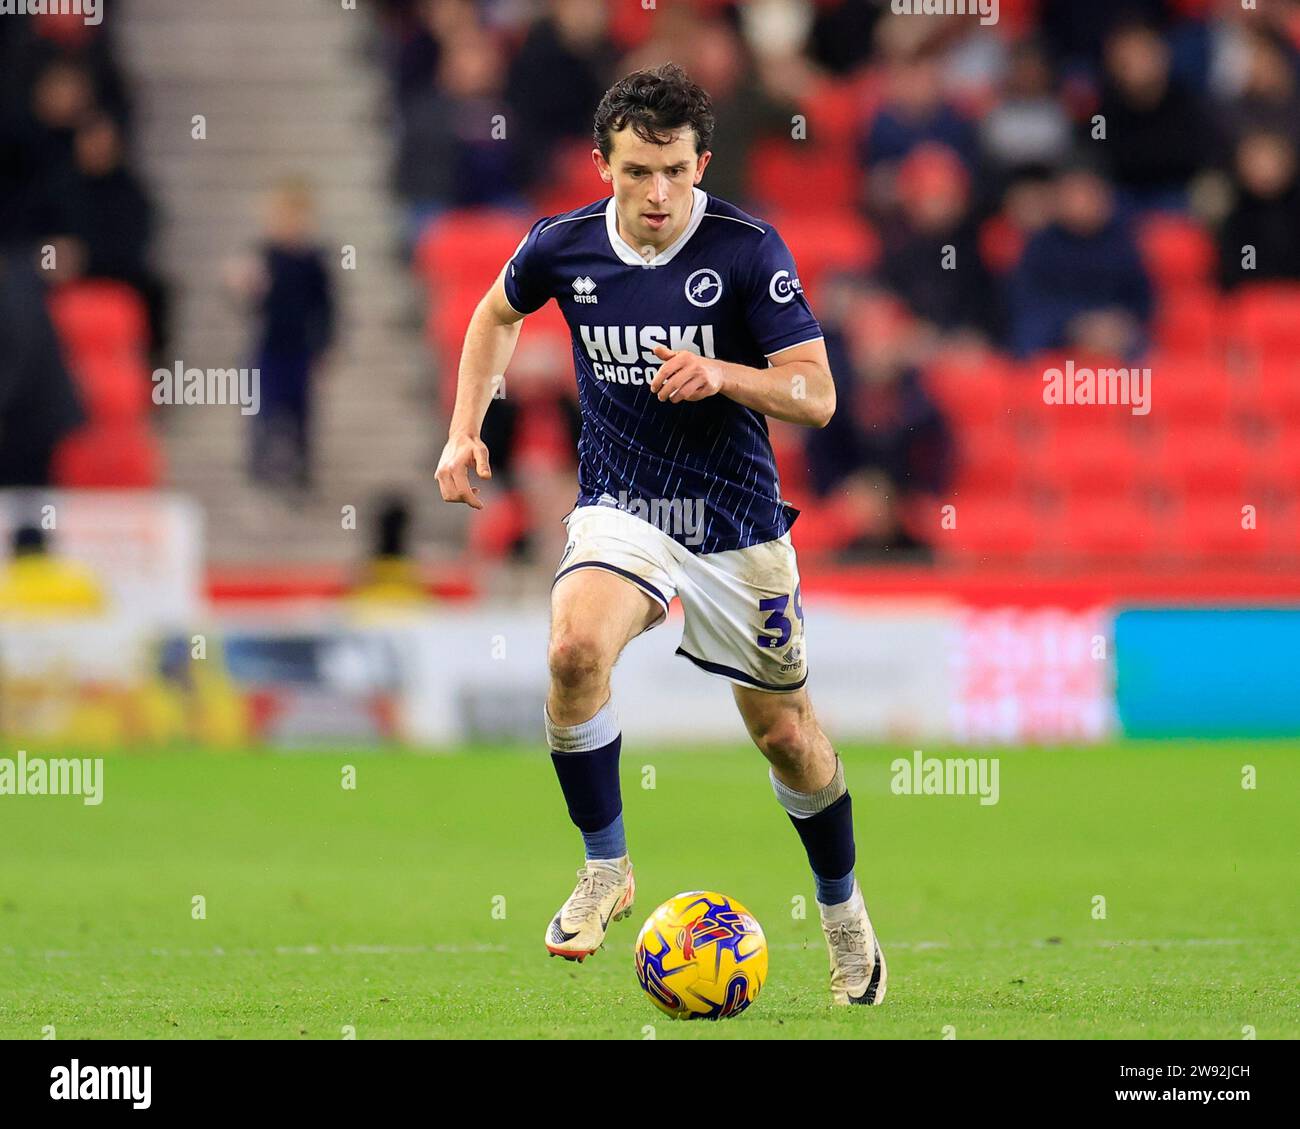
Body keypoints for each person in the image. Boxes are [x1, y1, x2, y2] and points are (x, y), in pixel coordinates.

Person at [436, 64, 885, 1007]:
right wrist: (464, 428)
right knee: (571, 649)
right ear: (603, 164)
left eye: (676, 171)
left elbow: (817, 393)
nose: (658, 193)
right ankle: (607, 866)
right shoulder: (561, 248)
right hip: (624, 507)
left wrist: (725, 375)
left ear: (701, 162)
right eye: (638, 170)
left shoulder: (749, 249)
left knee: (790, 738)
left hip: (735, 527)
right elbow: (493, 315)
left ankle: (843, 913)